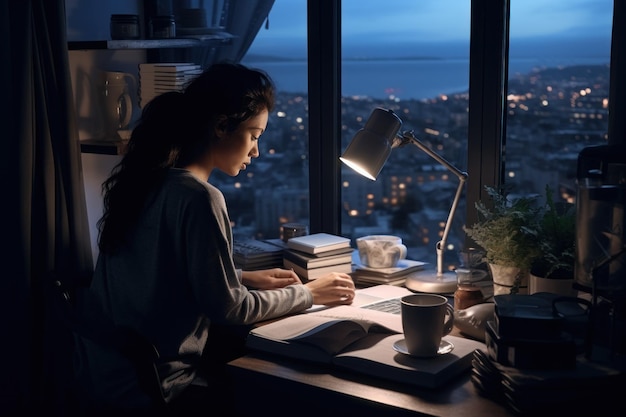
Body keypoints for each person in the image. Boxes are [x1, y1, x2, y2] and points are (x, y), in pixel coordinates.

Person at [74, 62, 356, 413]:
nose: (256, 151)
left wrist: (241, 277)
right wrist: (308, 294)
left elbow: (155, 273)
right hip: (157, 385)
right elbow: (229, 308)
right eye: (253, 136)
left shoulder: (146, 182)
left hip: (105, 374)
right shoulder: (199, 198)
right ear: (222, 126)